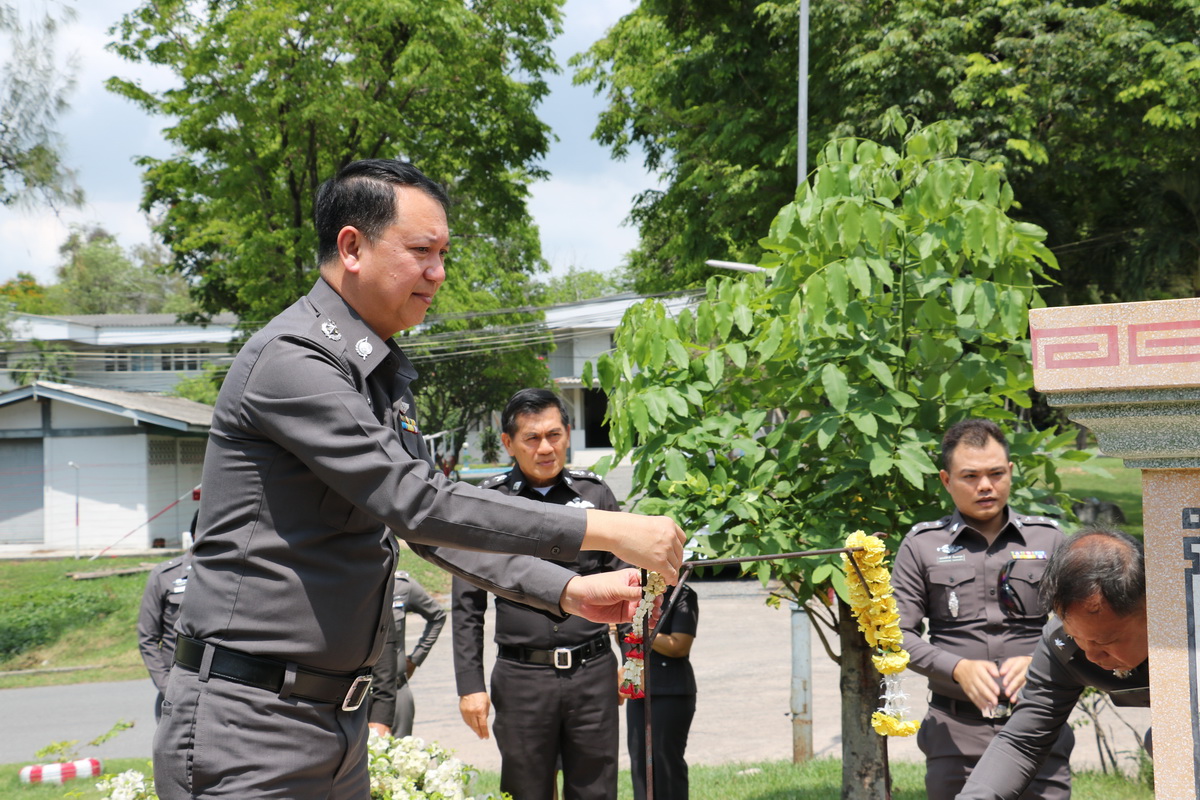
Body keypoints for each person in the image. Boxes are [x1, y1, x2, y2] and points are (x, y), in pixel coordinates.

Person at [152, 159, 686, 800]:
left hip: (332, 726)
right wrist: (607, 528)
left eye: (443, 253)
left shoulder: (374, 375)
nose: (438, 273)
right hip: (251, 723)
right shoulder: (292, 360)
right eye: (421, 252)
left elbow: (441, 534)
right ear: (351, 246)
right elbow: (418, 503)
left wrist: (568, 592)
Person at [453, 388, 626, 800]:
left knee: (597, 791)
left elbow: (624, 584)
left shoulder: (596, 496)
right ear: (508, 443)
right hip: (521, 679)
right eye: (532, 438)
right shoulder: (489, 504)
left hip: (594, 672)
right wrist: (469, 685)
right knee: (525, 790)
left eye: (554, 434)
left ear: (568, 433)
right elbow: (466, 606)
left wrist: (631, 662)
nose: (546, 448)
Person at [891, 419, 1073, 800]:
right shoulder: (922, 545)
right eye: (970, 476)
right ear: (945, 480)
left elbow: (1079, 623)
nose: (985, 486)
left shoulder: (1050, 538)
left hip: (1037, 723)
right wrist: (957, 668)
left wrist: (1041, 657)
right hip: (955, 730)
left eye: (994, 473)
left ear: (1009, 472)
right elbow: (897, 637)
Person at [956, 527, 1150, 799]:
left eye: (1105, 642)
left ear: (1150, 609)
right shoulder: (1062, 644)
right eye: (1078, 637)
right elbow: (1023, 742)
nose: (1091, 656)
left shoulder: (1189, 630)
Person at [622, 582, 698, 800]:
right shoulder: (633, 593)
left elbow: (679, 646)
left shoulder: (682, 595)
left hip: (671, 690)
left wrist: (640, 629)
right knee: (640, 763)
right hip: (639, 687)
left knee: (665, 763)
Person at [367, 570, 446, 737]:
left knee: (399, 757)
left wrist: (416, 658)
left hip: (397, 689)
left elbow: (437, 616)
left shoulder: (402, 585)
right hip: (355, 696)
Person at [136, 551, 190, 720]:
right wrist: (167, 688)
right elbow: (147, 638)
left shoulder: (229, 573)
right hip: (176, 692)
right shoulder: (165, 575)